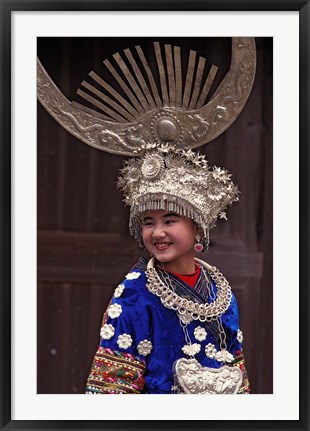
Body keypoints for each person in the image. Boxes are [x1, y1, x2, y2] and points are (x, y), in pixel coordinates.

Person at [85, 144, 250, 395]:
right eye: (148, 222)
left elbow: (237, 373)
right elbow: (112, 389)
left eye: (170, 220)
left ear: (197, 227)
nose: (158, 232)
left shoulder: (220, 290)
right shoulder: (134, 293)